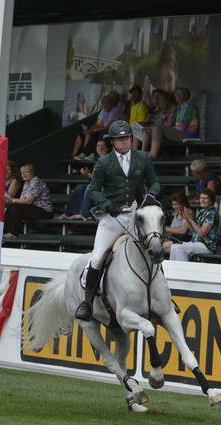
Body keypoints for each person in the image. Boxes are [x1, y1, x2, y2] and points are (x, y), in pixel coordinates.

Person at [75, 120, 160, 322]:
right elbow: (93, 189)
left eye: (127, 138)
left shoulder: (143, 158)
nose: (125, 142)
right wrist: (106, 204)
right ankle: (87, 302)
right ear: (112, 142)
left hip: (136, 216)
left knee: (153, 249)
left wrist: (150, 196)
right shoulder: (104, 162)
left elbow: (154, 181)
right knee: (96, 259)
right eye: (120, 139)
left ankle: (162, 299)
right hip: (112, 217)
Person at [3, 163, 54, 239]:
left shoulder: (36, 182)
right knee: (12, 206)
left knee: (16, 206)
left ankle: (13, 234)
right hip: (33, 209)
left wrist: (12, 200)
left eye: (26, 172)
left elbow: (29, 201)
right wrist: (11, 201)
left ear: (32, 172)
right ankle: (6, 233)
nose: (23, 175)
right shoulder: (27, 183)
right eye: (22, 173)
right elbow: (22, 200)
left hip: (45, 211)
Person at [148, 87, 199, 160]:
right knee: (152, 130)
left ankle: (152, 156)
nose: (178, 95)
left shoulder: (188, 107)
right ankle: (148, 154)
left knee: (158, 129)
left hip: (188, 134)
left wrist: (168, 130)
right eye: (176, 94)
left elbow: (182, 128)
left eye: (180, 94)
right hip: (180, 132)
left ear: (186, 96)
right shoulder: (179, 108)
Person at [169, 189, 219, 261]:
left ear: (211, 200)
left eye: (205, 198)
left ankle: (183, 271)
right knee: (174, 246)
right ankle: (173, 270)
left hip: (207, 245)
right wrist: (186, 218)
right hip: (195, 242)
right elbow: (193, 230)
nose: (202, 200)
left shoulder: (212, 213)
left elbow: (202, 233)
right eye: (201, 198)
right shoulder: (202, 211)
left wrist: (191, 219)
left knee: (179, 248)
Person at [73, 93, 121, 161]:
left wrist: (97, 130)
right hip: (106, 131)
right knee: (94, 133)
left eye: (107, 103)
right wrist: (91, 130)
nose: (105, 105)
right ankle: (86, 154)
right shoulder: (106, 111)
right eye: (103, 104)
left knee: (98, 132)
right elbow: (100, 124)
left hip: (115, 132)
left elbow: (109, 127)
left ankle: (89, 154)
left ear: (111, 103)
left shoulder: (115, 110)